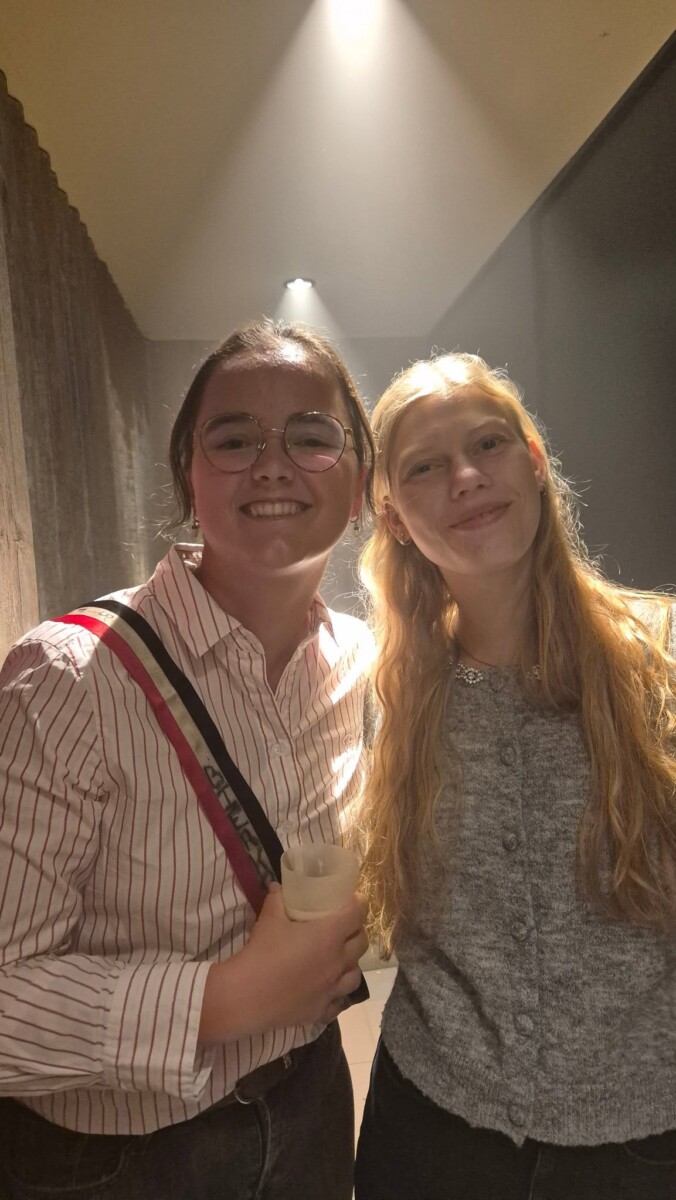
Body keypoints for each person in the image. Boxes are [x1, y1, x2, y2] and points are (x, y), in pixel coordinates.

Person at [0, 319, 375, 1199]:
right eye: (234, 439)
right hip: (118, 1161)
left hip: (312, 1102)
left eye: (311, 437)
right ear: (188, 478)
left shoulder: (357, 659)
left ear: (359, 485)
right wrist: (229, 998)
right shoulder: (68, 678)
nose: (272, 464)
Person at [354, 352, 676, 1200]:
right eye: (425, 467)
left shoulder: (662, 662)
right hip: (430, 1132)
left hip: (641, 1144)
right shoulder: (387, 695)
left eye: (488, 444)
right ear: (392, 516)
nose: (465, 477)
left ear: (534, 462)